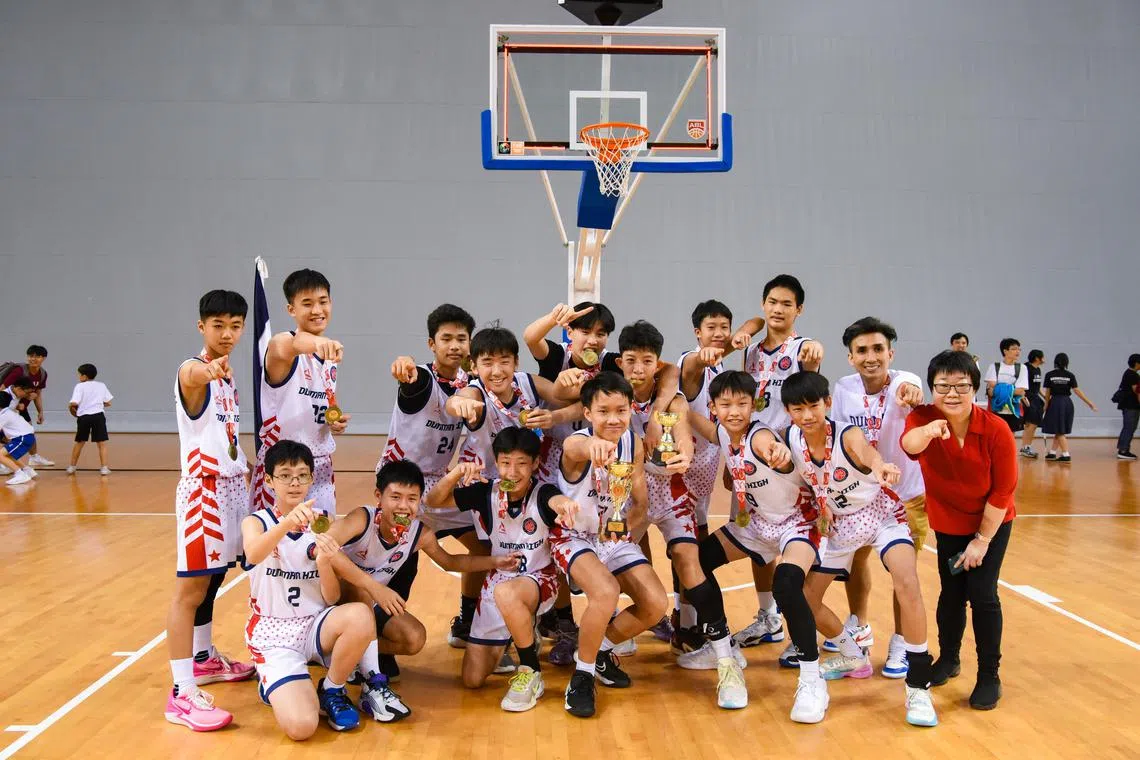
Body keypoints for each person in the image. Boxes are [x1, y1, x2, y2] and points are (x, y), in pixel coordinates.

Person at [783, 371, 938, 728]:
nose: (807, 415)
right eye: (798, 408)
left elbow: (866, 451)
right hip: (837, 525)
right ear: (789, 412)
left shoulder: (846, 433)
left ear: (828, 403)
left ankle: (918, 686)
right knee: (805, 598)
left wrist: (882, 465)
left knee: (907, 580)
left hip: (880, 514)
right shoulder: (792, 438)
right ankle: (852, 654)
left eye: (813, 406)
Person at [685, 371, 825, 722]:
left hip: (796, 521)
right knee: (693, 562)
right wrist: (673, 402)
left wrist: (778, 453)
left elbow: (770, 446)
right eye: (726, 404)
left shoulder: (759, 434)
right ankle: (725, 652)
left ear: (753, 405)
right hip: (757, 525)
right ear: (715, 407)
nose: (735, 411)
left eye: (742, 404)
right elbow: (698, 422)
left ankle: (812, 679)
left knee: (787, 584)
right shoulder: (721, 431)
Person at [329, 458, 518, 717]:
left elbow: (450, 561)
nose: (404, 506)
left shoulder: (421, 533)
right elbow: (324, 544)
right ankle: (372, 681)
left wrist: (494, 561)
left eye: (412, 498)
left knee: (414, 638)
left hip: (370, 606)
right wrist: (373, 586)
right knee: (362, 590)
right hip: (333, 605)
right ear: (378, 497)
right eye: (395, 497)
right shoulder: (361, 519)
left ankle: (341, 653)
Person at [426, 428, 579, 712]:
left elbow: (555, 501)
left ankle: (530, 672)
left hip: (537, 580)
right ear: (497, 463)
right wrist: (458, 472)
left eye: (522, 463)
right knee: (472, 679)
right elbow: (434, 501)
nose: (513, 471)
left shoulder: (543, 491)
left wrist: (566, 504)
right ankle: (519, 632)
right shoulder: (487, 492)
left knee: (507, 593)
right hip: (499, 581)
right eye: (506, 462)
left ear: (534, 464)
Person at [241, 440, 384, 738]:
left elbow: (331, 597)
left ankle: (332, 688)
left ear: (311, 479)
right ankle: (273, 681)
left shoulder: (323, 522)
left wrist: (323, 561)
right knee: (302, 727)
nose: (295, 483)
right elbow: (253, 555)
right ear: (269, 480)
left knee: (359, 615)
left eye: (302, 475)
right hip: (273, 633)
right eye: (285, 475)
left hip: (313, 623)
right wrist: (286, 523)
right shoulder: (256, 521)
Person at [902, 350, 1017, 711]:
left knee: (982, 594)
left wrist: (982, 541)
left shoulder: (995, 429)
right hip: (948, 522)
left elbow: (1003, 491)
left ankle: (989, 676)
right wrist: (927, 430)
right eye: (943, 386)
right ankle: (949, 659)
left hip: (991, 523)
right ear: (932, 387)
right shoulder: (923, 418)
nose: (952, 394)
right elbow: (909, 445)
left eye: (961, 386)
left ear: (975, 388)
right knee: (951, 593)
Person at [163, 290, 256, 732]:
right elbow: (193, 373)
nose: (228, 334)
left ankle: (202, 659)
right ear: (202, 326)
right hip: (204, 494)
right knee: (191, 591)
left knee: (215, 580)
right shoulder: (192, 368)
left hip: (232, 486)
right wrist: (208, 368)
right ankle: (181, 694)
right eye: (218, 325)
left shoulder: (229, 377)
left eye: (236, 325)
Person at [553, 372, 669, 717]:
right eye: (603, 411)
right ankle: (582, 676)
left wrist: (622, 533)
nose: (614, 418)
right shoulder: (576, 443)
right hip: (572, 536)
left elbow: (641, 505)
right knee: (604, 593)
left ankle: (598, 651)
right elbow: (578, 449)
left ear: (631, 408)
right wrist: (595, 446)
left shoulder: (633, 442)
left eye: (621, 410)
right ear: (587, 413)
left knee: (656, 604)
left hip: (610, 537)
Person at [381, 304, 483, 667]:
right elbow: (410, 378)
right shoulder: (421, 380)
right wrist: (404, 365)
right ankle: (381, 638)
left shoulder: (468, 386)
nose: (454, 345)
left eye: (461, 339)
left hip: (439, 485)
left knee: (482, 544)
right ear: (431, 343)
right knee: (397, 564)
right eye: (446, 339)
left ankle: (466, 620)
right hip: (401, 487)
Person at [826, 317, 926, 679]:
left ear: (891, 353)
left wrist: (912, 393)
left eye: (878, 349)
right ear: (851, 357)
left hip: (907, 497)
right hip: (860, 496)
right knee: (855, 564)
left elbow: (912, 387)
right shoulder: (843, 388)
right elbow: (839, 438)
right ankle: (859, 627)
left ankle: (901, 639)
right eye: (862, 350)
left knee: (904, 573)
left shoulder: (904, 382)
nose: (871, 357)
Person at [730, 274, 823, 654]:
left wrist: (816, 351)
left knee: (798, 541)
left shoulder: (803, 349)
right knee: (760, 539)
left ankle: (806, 627)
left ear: (798, 310)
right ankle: (768, 617)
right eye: (772, 301)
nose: (778, 309)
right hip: (751, 456)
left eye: (787, 304)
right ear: (763, 304)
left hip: (790, 458)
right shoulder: (750, 351)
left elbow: (813, 370)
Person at [252, 269, 348, 519]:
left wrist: (330, 421)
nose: (317, 310)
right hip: (284, 469)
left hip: (320, 466)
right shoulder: (282, 345)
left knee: (321, 548)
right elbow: (291, 344)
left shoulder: (328, 358)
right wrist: (318, 343)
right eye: (307, 304)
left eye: (323, 301)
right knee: (275, 550)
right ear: (291, 310)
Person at [673, 299, 735, 653]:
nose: (719, 333)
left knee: (689, 553)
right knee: (688, 554)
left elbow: (753, 324)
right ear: (697, 332)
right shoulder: (691, 363)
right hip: (682, 474)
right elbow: (694, 365)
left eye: (724, 327)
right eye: (711, 327)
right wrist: (703, 355)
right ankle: (688, 628)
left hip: (705, 476)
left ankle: (686, 621)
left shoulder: (721, 365)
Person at [0, 345, 53, 467]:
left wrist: (40, 412)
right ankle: (5, 462)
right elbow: (2, 389)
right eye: (30, 356)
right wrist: (13, 405)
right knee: (6, 435)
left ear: (43, 358)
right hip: (7, 406)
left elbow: (38, 394)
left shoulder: (42, 374)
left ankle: (33, 457)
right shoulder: (19, 371)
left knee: (29, 431)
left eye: (37, 356)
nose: (33, 359)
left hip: (21, 406)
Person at [1041, 353, 1098, 462]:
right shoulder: (1070, 375)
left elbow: (1047, 393)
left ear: (1055, 362)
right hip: (1067, 403)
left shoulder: (1049, 374)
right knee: (1059, 428)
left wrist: (1046, 405)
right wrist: (1089, 403)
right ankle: (1052, 453)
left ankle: (1066, 454)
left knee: (1059, 430)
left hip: (1056, 402)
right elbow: (1077, 391)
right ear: (1067, 362)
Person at [67, 364, 113, 475]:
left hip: (84, 417)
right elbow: (108, 402)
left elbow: (73, 403)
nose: (78, 376)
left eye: (79, 374)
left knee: (79, 442)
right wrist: (96, 403)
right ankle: (104, 468)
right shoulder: (101, 385)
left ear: (84, 376)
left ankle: (72, 467)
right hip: (98, 416)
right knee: (101, 443)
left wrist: (72, 410)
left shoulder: (79, 386)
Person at [984, 338, 1028, 433]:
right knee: (994, 435)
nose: (1017, 352)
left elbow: (1020, 391)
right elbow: (991, 390)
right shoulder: (994, 367)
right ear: (1005, 351)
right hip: (995, 409)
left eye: (1019, 349)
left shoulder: (1022, 368)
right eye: (1014, 349)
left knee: (1010, 436)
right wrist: (1011, 389)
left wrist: (999, 388)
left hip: (1013, 409)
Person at [0, 391, 37, 485]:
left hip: (23, 438)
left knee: (0, 455)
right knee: (8, 454)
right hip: (26, 437)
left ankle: (20, 474)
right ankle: (27, 470)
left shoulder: (4, 415)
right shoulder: (7, 412)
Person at [1019, 350, 1046, 459]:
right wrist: (1022, 397)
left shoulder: (1038, 369)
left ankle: (1027, 446)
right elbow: (1020, 383)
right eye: (1043, 357)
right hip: (1027, 398)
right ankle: (1025, 447)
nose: (1044, 359)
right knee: (1030, 424)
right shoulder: (1025, 368)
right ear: (1037, 358)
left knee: (1034, 424)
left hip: (1036, 399)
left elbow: (1038, 387)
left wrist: (1045, 397)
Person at [1114, 354, 1140, 460]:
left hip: (1128, 405)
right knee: (1129, 427)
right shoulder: (1132, 375)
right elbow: (1137, 391)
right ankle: (1123, 451)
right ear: (1137, 363)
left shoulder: (1128, 373)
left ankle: (1124, 449)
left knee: (1129, 427)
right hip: (1131, 406)